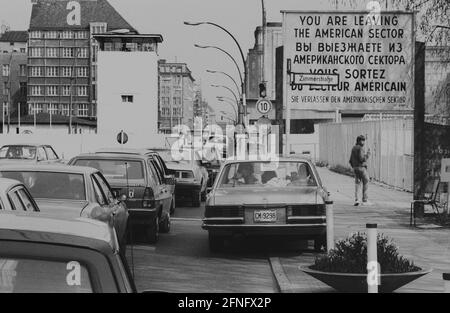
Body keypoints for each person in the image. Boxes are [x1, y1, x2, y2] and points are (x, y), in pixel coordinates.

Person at [349, 135, 372, 206]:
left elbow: (350, 160)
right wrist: (368, 154)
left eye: (364, 140)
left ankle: (357, 199)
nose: (363, 142)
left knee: (357, 183)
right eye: (362, 140)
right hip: (361, 168)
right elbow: (362, 159)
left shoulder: (353, 148)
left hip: (355, 168)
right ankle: (365, 200)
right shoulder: (360, 148)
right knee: (366, 181)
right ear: (359, 141)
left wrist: (354, 167)